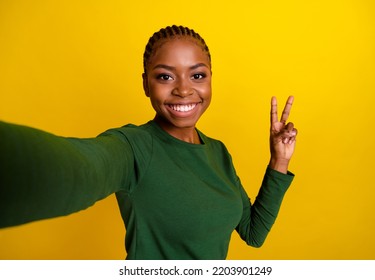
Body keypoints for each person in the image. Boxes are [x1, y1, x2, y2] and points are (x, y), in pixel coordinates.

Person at [0, 25, 298, 259]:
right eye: (165, 77)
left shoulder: (218, 152)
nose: (183, 90)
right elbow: (80, 167)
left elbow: (253, 233)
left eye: (197, 75)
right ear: (146, 83)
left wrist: (279, 160)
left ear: (210, 80)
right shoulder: (133, 147)